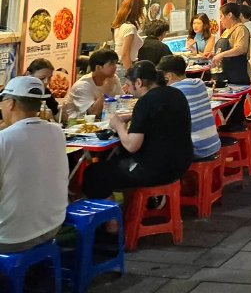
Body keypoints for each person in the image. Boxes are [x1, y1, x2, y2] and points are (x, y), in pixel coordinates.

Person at [83, 61, 193, 201]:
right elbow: (158, 116)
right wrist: (132, 116)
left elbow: (132, 145)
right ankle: (145, 201)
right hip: (181, 164)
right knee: (116, 157)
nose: (128, 90)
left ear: (139, 83)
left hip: (156, 170)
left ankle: (114, 215)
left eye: (129, 85)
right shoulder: (175, 93)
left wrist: (118, 125)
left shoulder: (145, 102)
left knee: (94, 173)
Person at [0, 76, 69, 253]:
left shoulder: (4, 139)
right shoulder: (57, 131)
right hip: (53, 226)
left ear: (11, 104)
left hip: (11, 237)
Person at [157, 55, 221, 159]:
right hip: (213, 143)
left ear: (168, 76)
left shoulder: (173, 91)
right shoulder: (199, 83)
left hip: (196, 149)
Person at [65, 48, 120, 120]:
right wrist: (105, 92)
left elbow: (122, 101)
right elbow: (93, 114)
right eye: (111, 64)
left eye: (116, 63)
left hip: (104, 121)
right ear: (98, 67)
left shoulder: (113, 78)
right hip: (78, 124)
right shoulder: (82, 86)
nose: (115, 67)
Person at [112, 0, 145, 70]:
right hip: (126, 66)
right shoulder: (130, 28)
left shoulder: (120, 26)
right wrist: (130, 73)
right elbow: (125, 55)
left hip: (120, 66)